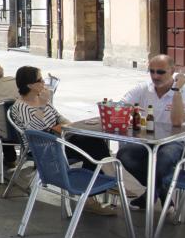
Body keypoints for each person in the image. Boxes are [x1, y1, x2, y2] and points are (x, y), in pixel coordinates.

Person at [10, 66, 116, 215]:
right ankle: (102, 186)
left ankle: (98, 188)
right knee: (93, 146)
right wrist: (44, 106)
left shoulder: (40, 99)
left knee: (93, 142)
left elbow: (58, 118)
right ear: (30, 85)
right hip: (43, 148)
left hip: (59, 140)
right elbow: (37, 132)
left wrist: (71, 126)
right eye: (40, 80)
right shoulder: (21, 107)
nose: (44, 83)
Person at [118, 54, 185, 208]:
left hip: (174, 141)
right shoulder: (144, 88)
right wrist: (129, 110)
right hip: (147, 139)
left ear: (172, 71)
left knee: (162, 160)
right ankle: (160, 190)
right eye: (152, 71)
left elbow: (177, 122)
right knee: (124, 154)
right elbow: (120, 105)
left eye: (161, 72)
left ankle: (150, 194)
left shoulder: (184, 93)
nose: (155, 76)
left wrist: (176, 90)